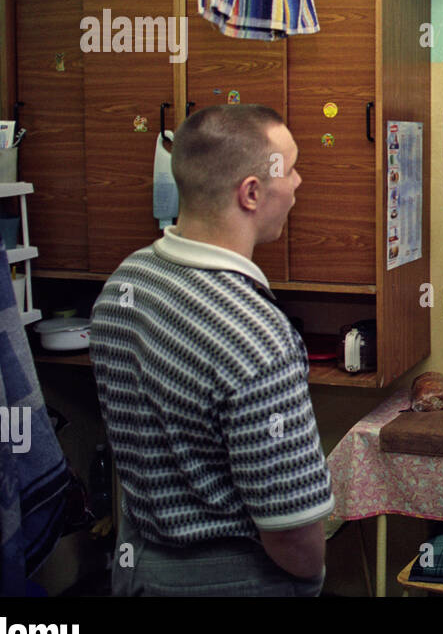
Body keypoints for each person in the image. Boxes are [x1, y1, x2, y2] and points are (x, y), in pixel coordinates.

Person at [89, 104, 334, 596]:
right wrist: (311, 575)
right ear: (251, 193)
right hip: (228, 578)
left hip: (139, 568)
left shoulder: (127, 282)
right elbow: (292, 534)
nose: (298, 183)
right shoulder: (256, 334)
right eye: (290, 169)